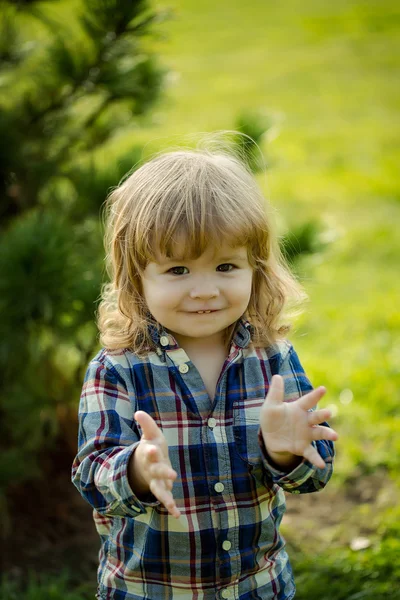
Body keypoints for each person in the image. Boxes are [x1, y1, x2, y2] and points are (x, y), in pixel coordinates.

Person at [72, 146, 338, 600]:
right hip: (149, 591)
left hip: (259, 588)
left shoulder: (272, 358)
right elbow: (92, 474)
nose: (205, 290)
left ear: (255, 268)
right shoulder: (117, 369)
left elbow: (313, 477)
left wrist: (285, 453)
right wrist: (135, 469)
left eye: (225, 266)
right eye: (177, 269)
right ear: (137, 277)